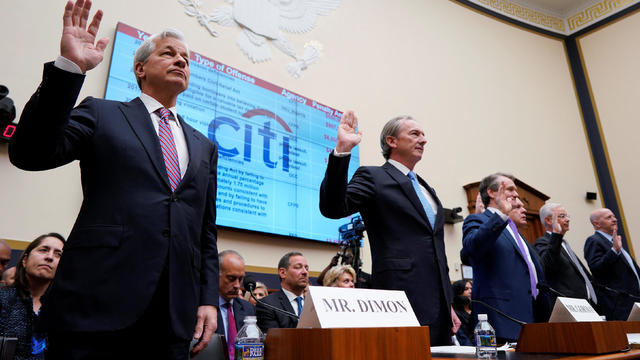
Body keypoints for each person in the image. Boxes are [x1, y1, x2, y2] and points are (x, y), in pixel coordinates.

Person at [8, 1, 219, 358]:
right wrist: (69, 69)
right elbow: (30, 153)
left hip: (171, 319)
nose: (181, 61)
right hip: (95, 309)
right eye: (168, 53)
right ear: (140, 68)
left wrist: (206, 299)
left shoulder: (204, 146)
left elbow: (205, 232)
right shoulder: (102, 113)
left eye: (186, 57)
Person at [319, 112, 455, 345]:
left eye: (424, 135)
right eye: (414, 134)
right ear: (392, 141)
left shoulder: (425, 188)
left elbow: (435, 249)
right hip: (400, 299)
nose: (423, 140)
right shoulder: (374, 176)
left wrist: (448, 303)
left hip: (440, 308)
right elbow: (333, 207)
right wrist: (342, 150)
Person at [461, 173, 548, 343]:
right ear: (492, 193)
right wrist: (500, 214)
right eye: (510, 189)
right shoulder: (477, 220)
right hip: (501, 319)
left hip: (533, 317)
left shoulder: (514, 230)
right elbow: (472, 249)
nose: (516, 194)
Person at [0, 233, 65, 360]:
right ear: (25, 260)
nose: (50, 257)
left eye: (58, 254)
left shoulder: (65, 309)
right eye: (43, 250)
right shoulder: (3, 299)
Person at [534, 203, 597, 308]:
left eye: (567, 216)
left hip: (586, 304)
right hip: (570, 306)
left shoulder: (564, 244)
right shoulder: (542, 242)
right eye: (562, 216)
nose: (567, 219)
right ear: (548, 220)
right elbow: (548, 264)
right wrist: (556, 235)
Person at [584, 208, 640, 320]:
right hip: (619, 305)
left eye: (614, 216)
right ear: (596, 223)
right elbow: (596, 268)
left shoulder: (615, 240)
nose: (614, 219)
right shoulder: (594, 240)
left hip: (634, 300)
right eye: (608, 217)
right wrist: (614, 250)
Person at [215, 250, 255, 360]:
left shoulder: (248, 308)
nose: (237, 285)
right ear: (215, 275)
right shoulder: (204, 306)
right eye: (231, 279)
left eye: (240, 279)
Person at [256, 252, 309, 333]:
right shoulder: (267, 305)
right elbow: (274, 341)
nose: (305, 272)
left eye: (306, 268)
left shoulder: (314, 303)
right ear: (283, 273)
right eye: (298, 267)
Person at [451, 280, 473, 345]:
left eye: (471, 288)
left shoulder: (475, 309)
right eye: (466, 289)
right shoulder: (454, 314)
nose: (470, 291)